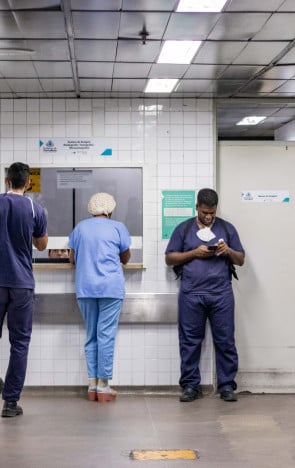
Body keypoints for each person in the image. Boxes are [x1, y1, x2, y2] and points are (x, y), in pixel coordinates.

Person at [165, 188, 245, 403]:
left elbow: (240, 259)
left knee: (225, 340)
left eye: (212, 213)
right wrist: (195, 253)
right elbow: (170, 258)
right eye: (204, 212)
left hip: (221, 294)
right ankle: (191, 386)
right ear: (197, 207)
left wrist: (227, 250)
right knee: (190, 342)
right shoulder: (183, 229)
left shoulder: (227, 229)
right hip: (191, 294)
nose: (208, 217)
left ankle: (227, 386)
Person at [68, 192, 131, 402]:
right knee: (105, 335)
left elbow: (72, 258)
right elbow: (125, 257)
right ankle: (104, 387)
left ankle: (92, 385)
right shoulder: (118, 227)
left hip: (85, 288)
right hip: (110, 288)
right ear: (110, 210)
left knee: (91, 335)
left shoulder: (80, 228)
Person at [0, 162, 48, 417]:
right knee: (19, 343)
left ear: (6, 180)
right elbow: (41, 245)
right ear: (28, 183)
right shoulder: (34, 208)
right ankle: (10, 403)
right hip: (21, 284)